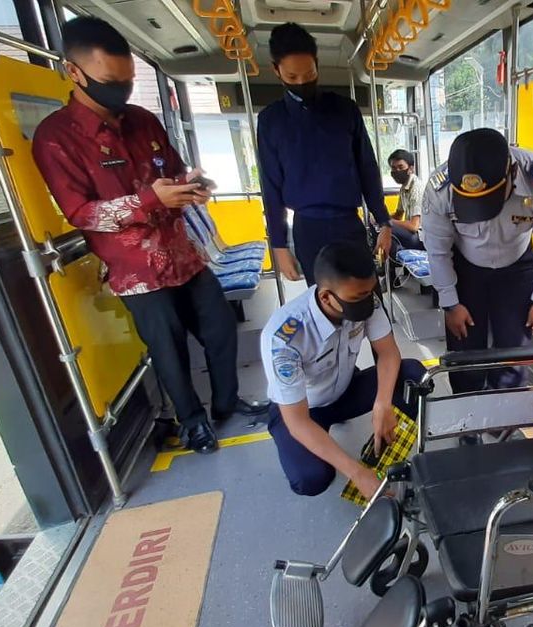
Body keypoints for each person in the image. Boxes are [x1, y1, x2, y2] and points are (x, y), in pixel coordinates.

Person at [32, 17, 268, 455]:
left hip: (185, 256)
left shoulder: (142, 120)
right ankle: (192, 421)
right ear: (74, 72)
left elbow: (172, 171)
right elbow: (81, 213)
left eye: (126, 81)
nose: (119, 90)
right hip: (137, 271)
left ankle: (225, 403)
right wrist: (148, 201)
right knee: (169, 350)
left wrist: (192, 185)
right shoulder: (56, 138)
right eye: (109, 81)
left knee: (219, 329)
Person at [262, 240, 425, 498]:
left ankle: (382, 452)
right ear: (326, 296)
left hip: (344, 390)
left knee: (413, 376)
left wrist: (382, 403)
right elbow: (298, 421)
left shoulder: (364, 298)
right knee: (311, 478)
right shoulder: (285, 337)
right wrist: (357, 474)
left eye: (370, 292)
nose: (367, 301)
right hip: (304, 409)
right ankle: (355, 468)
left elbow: (388, 353)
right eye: (358, 297)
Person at [421, 128, 533, 395]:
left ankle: (504, 421)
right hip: (465, 267)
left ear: (511, 173)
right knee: (465, 349)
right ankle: (468, 415)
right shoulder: (439, 189)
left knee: (514, 350)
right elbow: (438, 251)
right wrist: (450, 303)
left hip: (517, 266)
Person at [257, 23, 392, 285]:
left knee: (365, 299)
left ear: (317, 65)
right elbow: (270, 186)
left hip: (348, 223)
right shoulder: (271, 121)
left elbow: (368, 168)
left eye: (309, 74)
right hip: (308, 228)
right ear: (277, 71)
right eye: (292, 77)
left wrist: (384, 221)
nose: (302, 82)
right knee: (324, 306)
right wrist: (279, 245)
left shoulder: (345, 110)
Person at [387, 149, 424, 251]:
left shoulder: (416, 188)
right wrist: (380, 217)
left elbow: (414, 226)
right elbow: (398, 215)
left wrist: (388, 222)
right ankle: (395, 260)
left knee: (387, 228)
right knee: (381, 226)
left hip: (422, 238)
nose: (397, 171)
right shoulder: (404, 187)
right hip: (413, 234)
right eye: (393, 168)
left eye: (401, 167)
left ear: (410, 169)